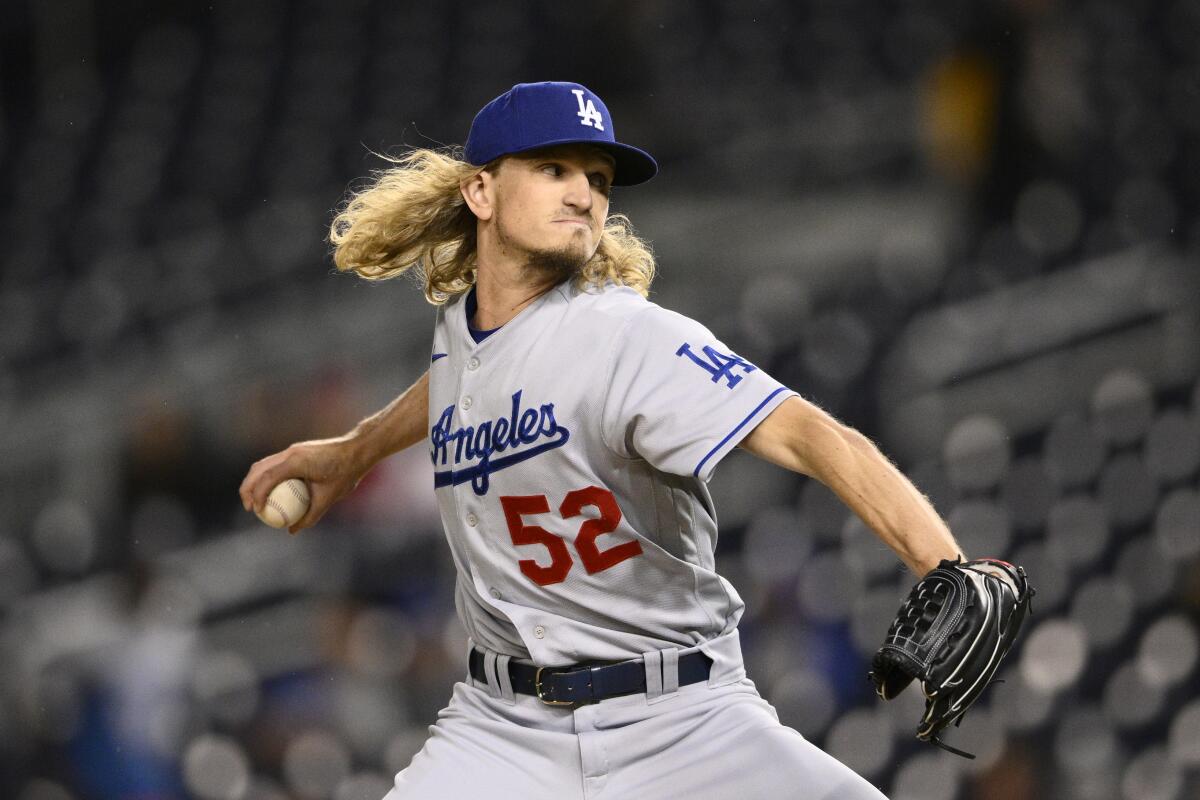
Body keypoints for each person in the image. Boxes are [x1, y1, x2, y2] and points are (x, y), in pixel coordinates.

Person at [240, 81, 965, 799]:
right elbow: (464, 378)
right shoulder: (464, 329)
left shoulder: (628, 336)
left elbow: (811, 435)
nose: (583, 194)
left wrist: (949, 566)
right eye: (553, 169)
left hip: (683, 717)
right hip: (504, 726)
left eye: (597, 178)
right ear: (481, 193)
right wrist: (356, 449)